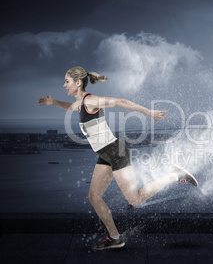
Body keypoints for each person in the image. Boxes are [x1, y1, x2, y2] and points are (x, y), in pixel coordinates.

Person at [38, 66, 198, 250]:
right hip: (106, 154)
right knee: (94, 197)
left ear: (78, 82)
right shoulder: (81, 103)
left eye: (67, 81)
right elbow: (71, 106)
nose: (64, 85)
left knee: (135, 200)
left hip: (116, 152)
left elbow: (120, 101)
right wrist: (54, 102)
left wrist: (149, 113)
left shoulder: (91, 101)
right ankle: (115, 238)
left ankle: (175, 175)